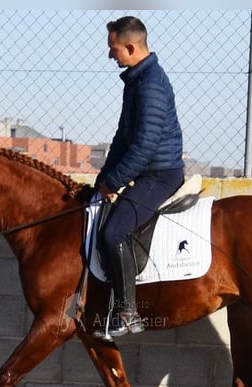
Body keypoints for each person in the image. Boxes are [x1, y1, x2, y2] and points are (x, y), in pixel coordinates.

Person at [93, 15, 185, 339]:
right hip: (146, 171)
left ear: (131, 47)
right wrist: (103, 178)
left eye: (113, 48)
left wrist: (114, 182)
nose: (110, 55)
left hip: (160, 175)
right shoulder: (137, 81)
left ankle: (128, 313)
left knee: (112, 233)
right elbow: (123, 137)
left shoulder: (151, 86)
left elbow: (144, 147)